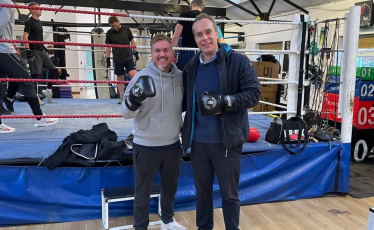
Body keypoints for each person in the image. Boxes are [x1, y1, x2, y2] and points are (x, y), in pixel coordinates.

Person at [181, 13, 261, 230]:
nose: (205, 38)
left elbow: (254, 94)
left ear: (217, 33)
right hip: (198, 143)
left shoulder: (238, 61)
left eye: (208, 32)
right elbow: (183, 103)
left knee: (229, 195)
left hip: (227, 143)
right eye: (199, 34)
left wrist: (225, 101)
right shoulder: (191, 68)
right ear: (195, 39)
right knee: (202, 193)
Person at [121, 34, 187, 230]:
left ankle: (167, 221)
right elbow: (126, 113)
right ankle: (140, 226)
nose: (162, 55)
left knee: (170, 188)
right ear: (151, 53)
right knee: (143, 191)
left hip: (173, 144)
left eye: (166, 50)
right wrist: (134, 99)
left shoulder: (180, 77)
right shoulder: (141, 78)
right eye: (157, 51)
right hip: (146, 144)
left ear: (172, 53)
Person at [0, 0, 59, 133]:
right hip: (4, 50)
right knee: (27, 80)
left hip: (7, 49)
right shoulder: (7, 2)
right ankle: (39, 118)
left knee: (2, 85)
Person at [23, 2, 61, 104]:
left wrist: (45, 48)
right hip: (34, 50)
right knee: (35, 74)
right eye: (38, 8)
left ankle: (48, 91)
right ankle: (35, 97)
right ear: (32, 10)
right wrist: (28, 51)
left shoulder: (39, 22)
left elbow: (37, 37)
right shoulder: (29, 22)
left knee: (53, 70)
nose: (41, 10)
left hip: (41, 50)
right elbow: (25, 36)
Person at [171, 0, 225, 71]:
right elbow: (221, 41)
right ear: (202, 8)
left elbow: (176, 36)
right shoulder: (206, 18)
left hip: (186, 53)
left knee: (183, 77)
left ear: (191, 7)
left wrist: (172, 54)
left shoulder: (184, 15)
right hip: (204, 53)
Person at [106, 16, 139, 104]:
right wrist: (108, 59)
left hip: (128, 57)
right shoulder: (109, 33)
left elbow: (132, 41)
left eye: (116, 25)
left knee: (133, 74)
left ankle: (136, 94)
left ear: (118, 22)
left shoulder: (126, 29)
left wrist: (136, 52)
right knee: (120, 77)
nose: (115, 28)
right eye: (113, 26)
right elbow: (108, 47)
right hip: (117, 59)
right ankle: (122, 97)